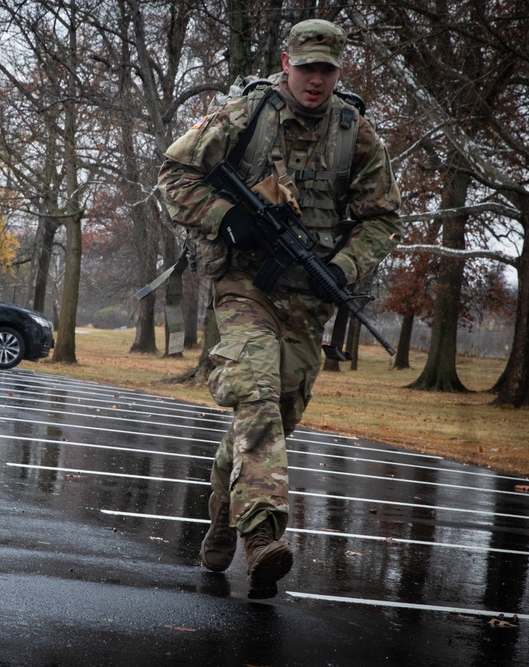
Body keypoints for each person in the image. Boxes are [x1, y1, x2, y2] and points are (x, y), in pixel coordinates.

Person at [158, 19, 402, 599]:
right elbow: (173, 173)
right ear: (287, 61)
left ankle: (222, 513)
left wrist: (345, 269)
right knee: (256, 392)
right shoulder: (245, 114)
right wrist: (226, 219)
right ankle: (263, 535)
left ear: (339, 72)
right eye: (306, 67)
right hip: (243, 285)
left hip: (308, 298)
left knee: (276, 416)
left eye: (327, 70)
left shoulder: (356, 134)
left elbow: (382, 219)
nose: (315, 80)